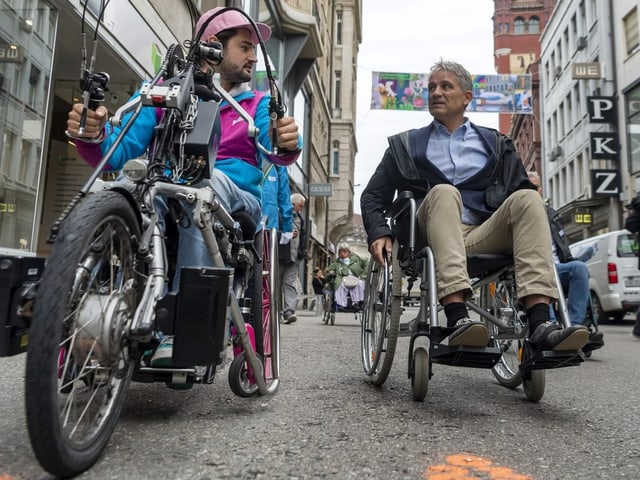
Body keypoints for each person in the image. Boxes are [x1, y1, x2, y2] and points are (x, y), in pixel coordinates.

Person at [66, 7, 302, 366]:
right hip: (165, 185)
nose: (254, 56)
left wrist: (286, 142)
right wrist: (93, 135)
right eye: (244, 46)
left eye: (254, 48)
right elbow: (119, 152)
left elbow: (275, 147)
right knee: (123, 189)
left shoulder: (258, 103)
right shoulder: (166, 93)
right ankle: (76, 314)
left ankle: (180, 329)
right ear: (212, 46)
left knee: (199, 187)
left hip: (231, 194)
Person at [360, 59, 588, 353]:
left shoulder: (496, 144)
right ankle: (457, 318)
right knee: (444, 192)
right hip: (428, 235)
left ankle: (541, 324)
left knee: (529, 198)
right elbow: (372, 196)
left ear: (466, 97)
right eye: (431, 87)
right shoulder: (406, 146)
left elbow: (519, 190)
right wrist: (379, 231)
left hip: (482, 231)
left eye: (445, 86)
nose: (436, 93)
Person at [528, 172, 603, 345]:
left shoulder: (552, 216)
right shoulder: (519, 211)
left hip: (558, 268)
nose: (534, 191)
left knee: (579, 268)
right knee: (543, 272)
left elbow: (563, 249)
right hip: (534, 268)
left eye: (536, 187)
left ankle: (575, 328)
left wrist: (578, 257)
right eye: (529, 187)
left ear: (540, 190)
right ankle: (550, 327)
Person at [279, 193, 306, 324]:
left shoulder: (300, 218)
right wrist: (287, 234)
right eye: (300, 206)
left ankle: (289, 312)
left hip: (295, 258)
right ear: (292, 203)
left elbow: (303, 236)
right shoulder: (281, 214)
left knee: (289, 284)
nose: (300, 209)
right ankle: (276, 311)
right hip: (281, 255)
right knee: (276, 284)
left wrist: (302, 252)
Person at [326, 244, 367, 310]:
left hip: (354, 278)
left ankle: (356, 303)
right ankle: (341, 304)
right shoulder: (336, 263)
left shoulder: (356, 260)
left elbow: (366, 261)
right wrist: (330, 273)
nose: (342, 254)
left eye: (344, 252)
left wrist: (364, 275)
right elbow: (328, 271)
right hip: (342, 279)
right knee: (340, 284)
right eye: (340, 252)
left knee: (360, 283)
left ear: (348, 252)